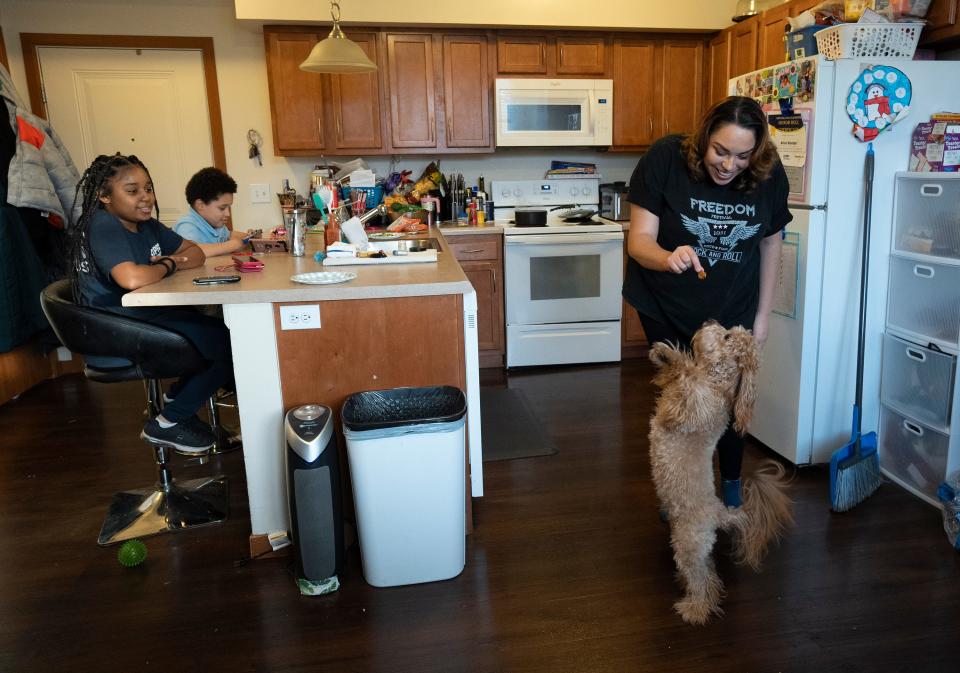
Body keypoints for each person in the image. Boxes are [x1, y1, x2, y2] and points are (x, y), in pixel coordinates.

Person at [623, 96, 791, 508]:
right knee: (684, 403)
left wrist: (763, 316)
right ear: (703, 138)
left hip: (732, 308)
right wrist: (668, 257)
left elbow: (771, 244)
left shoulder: (769, 173)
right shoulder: (666, 157)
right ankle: (680, 492)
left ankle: (730, 489)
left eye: (742, 155)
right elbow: (639, 240)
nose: (729, 165)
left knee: (731, 401)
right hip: (665, 305)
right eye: (720, 150)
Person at [67, 154, 234, 455]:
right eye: (132, 191)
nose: (145, 198)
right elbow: (131, 278)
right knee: (228, 344)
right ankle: (168, 422)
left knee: (219, 331)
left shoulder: (147, 225)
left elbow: (194, 253)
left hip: (139, 314)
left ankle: (177, 397)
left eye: (148, 188)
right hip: (113, 327)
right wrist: (169, 264)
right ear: (104, 196)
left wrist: (162, 265)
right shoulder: (103, 224)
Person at [174, 166, 254, 256]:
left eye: (229, 208)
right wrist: (233, 245)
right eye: (222, 208)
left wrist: (251, 237)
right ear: (200, 205)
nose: (228, 214)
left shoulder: (215, 223)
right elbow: (190, 252)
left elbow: (229, 235)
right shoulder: (187, 225)